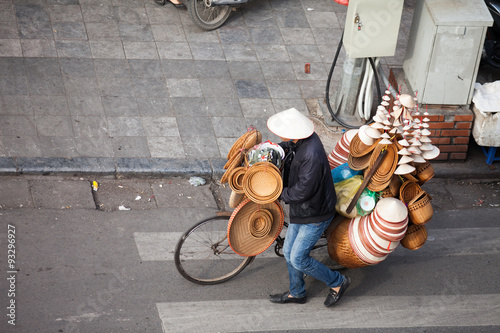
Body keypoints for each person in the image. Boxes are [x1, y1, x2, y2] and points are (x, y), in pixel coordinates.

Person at [267, 108, 350, 307]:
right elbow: (287, 146)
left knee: (298, 259)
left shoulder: (311, 155)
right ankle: (297, 293)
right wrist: (270, 150)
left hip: (315, 212)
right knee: (288, 252)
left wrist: (277, 194)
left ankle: (338, 282)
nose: (280, 134)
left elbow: (301, 192)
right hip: (303, 209)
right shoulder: (301, 140)